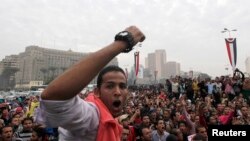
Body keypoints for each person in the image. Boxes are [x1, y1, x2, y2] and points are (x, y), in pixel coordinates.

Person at [35, 26, 145, 141]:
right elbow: (53, 97)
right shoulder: (92, 116)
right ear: (97, 92)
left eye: (122, 86)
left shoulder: (114, 124)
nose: (117, 92)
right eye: (110, 86)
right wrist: (123, 42)